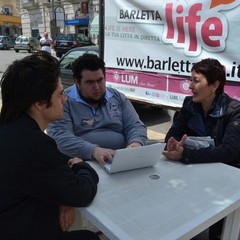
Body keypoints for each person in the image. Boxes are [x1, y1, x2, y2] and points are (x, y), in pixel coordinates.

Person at [0, 51, 100, 240]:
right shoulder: (32, 144)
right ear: (39, 102)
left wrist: (63, 191)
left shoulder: (11, 128)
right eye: (60, 94)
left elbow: (52, 166)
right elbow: (81, 193)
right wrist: (81, 165)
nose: (65, 99)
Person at [163, 58, 240, 240]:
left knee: (219, 228)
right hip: (197, 170)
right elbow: (173, 133)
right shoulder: (189, 104)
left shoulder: (234, 110)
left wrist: (186, 154)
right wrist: (172, 143)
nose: (190, 86)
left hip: (227, 175)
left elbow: (229, 151)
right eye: (191, 80)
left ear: (214, 85)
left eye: (196, 81)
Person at [47, 53, 147, 165]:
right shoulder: (63, 101)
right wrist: (94, 151)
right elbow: (60, 136)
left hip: (121, 161)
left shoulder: (117, 97)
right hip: (82, 164)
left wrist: (136, 143)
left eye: (100, 80)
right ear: (77, 82)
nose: (97, 87)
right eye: (90, 82)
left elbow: (135, 125)